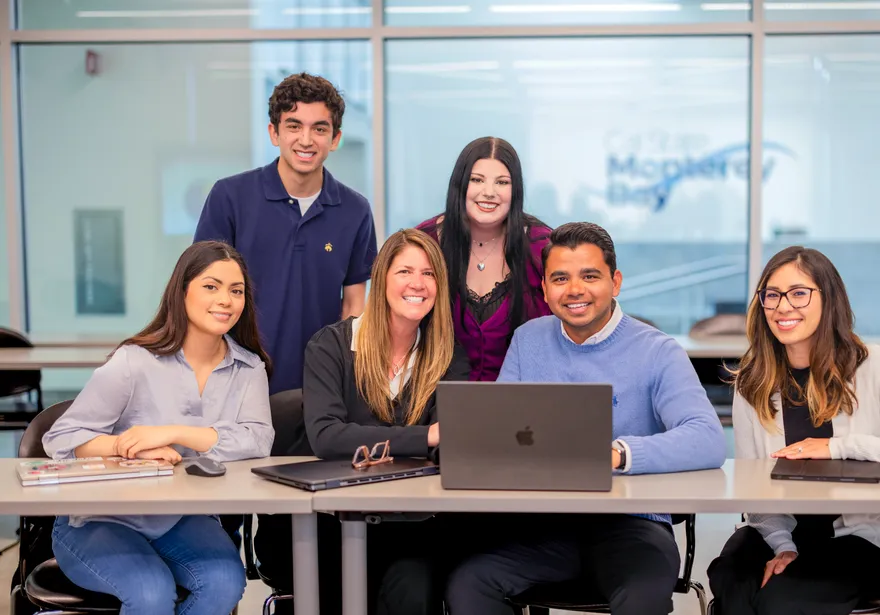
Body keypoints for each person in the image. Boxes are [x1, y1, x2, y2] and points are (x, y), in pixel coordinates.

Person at [444, 222, 726, 615]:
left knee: (642, 600)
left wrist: (616, 455)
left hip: (633, 527)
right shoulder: (528, 340)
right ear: (544, 288)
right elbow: (500, 434)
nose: (574, 289)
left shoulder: (658, 350)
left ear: (616, 281)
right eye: (560, 278)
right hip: (545, 527)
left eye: (589, 276)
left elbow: (707, 438)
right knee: (467, 586)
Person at [42, 241, 275, 615]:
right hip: (98, 519)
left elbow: (258, 438)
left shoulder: (249, 368)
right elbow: (62, 438)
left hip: (181, 517)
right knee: (151, 592)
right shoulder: (134, 362)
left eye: (236, 291)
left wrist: (173, 432)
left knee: (226, 583)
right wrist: (124, 445)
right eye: (211, 287)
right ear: (182, 292)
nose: (226, 300)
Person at [256, 228, 469, 615]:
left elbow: (451, 447)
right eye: (405, 271)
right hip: (329, 524)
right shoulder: (331, 346)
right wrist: (425, 437)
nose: (417, 284)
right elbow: (327, 437)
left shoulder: (448, 357)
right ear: (383, 277)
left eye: (429, 274)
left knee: (414, 595)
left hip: (410, 525)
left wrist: (415, 441)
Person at [707, 246, 880, 615]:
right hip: (779, 530)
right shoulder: (752, 382)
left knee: (780, 601)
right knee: (733, 588)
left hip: (859, 537)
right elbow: (755, 489)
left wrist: (835, 447)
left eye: (799, 293)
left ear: (828, 298)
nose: (783, 306)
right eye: (772, 295)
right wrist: (784, 547)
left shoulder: (873, 366)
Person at [194, 72, 377, 395]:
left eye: (319, 129)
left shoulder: (356, 210)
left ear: (335, 139)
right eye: (294, 126)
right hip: (233, 384)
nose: (306, 140)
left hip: (320, 389)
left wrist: (348, 381)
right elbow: (201, 295)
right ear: (274, 133)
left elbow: (353, 306)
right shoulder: (230, 197)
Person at [417, 136, 551, 382]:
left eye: (502, 182)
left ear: (516, 190)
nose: (489, 192)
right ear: (460, 185)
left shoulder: (542, 248)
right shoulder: (424, 243)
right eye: (477, 180)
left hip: (525, 404)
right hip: (435, 406)